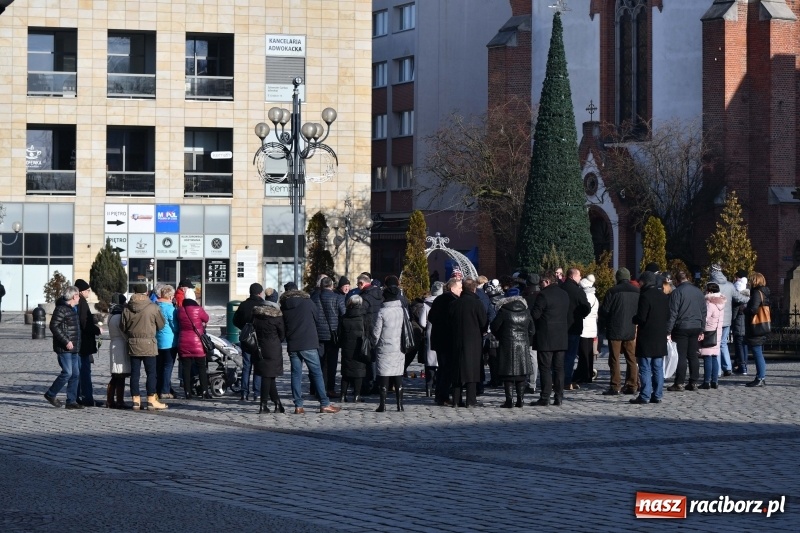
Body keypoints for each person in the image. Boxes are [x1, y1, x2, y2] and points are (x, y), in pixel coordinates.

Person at [280, 284, 341, 414]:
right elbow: (317, 317)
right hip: (308, 342)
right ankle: (324, 404)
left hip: (293, 344)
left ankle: (298, 406)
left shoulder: (284, 306)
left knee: (295, 375)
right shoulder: (307, 302)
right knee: (316, 373)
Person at [121, 283, 167, 410]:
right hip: (149, 344)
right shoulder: (153, 307)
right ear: (147, 293)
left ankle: (136, 400)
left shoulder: (127, 308)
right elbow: (161, 325)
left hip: (133, 343)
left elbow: (123, 326)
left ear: (134, 292)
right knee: (151, 373)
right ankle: (151, 400)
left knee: (135, 373)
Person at [490, 286, 534, 408]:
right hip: (523, 344)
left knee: (507, 374)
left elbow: (494, 327)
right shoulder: (526, 310)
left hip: (507, 343)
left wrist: (501, 336)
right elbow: (532, 329)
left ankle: (509, 400)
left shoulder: (503, 311)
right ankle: (520, 400)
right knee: (521, 374)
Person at [630, 272, 670, 404]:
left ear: (645, 282)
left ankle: (645, 395)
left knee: (645, 367)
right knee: (658, 367)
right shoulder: (664, 296)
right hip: (660, 336)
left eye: (640, 281)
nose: (639, 284)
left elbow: (641, 317)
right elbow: (668, 316)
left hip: (647, 336)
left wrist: (634, 318)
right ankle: (657, 394)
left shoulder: (645, 296)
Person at [599, 268, 640, 395]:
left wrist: (602, 326)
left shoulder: (612, 291)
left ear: (618, 278)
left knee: (614, 359)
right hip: (630, 329)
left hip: (615, 329)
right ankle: (632, 384)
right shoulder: (637, 291)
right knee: (631, 358)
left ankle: (615, 385)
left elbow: (604, 311)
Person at [530, 271, 569, 406]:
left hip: (545, 337)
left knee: (545, 368)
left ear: (546, 282)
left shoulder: (543, 295)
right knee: (559, 368)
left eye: (541, 282)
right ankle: (559, 396)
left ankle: (545, 397)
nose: (540, 285)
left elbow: (535, 315)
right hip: (561, 336)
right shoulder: (564, 294)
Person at [449, 278, 489, 408]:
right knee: (472, 370)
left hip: (456, 340)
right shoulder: (477, 303)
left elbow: (448, 321)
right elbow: (484, 322)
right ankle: (470, 400)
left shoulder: (454, 303)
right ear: (474, 289)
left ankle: (456, 399)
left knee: (457, 369)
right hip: (473, 341)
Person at [666, 271, 707, 392]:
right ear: (687, 278)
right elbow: (704, 312)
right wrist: (702, 329)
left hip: (682, 326)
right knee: (693, 355)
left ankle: (679, 383)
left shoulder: (677, 292)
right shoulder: (698, 292)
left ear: (677, 281)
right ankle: (693, 382)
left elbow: (673, 313)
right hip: (696, 326)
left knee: (681, 356)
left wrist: (668, 330)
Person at [44, 286, 83, 409]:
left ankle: (71, 401)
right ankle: (50, 394)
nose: (79, 298)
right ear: (74, 296)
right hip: (64, 348)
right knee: (67, 372)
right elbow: (54, 326)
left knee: (75, 374)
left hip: (74, 348)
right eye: (78, 296)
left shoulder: (73, 309)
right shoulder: (61, 309)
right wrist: (66, 341)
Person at [371, 285, 406, 412]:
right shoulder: (402, 310)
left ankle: (383, 404)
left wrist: (373, 343)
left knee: (384, 376)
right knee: (398, 376)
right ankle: (400, 405)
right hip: (399, 347)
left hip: (385, 347)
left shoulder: (382, 312)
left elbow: (376, 332)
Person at [428, 277, 462, 405]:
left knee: (442, 368)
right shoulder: (453, 301)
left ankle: (439, 394)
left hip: (438, 339)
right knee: (447, 369)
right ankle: (443, 396)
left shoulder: (438, 299)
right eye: (459, 288)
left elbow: (431, 317)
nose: (461, 290)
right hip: (448, 339)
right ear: (453, 288)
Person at [311, 276, 345, 397]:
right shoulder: (337, 298)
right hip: (333, 334)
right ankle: (330, 388)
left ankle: (319, 390)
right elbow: (343, 314)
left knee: (319, 363)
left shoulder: (314, 298)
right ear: (331, 285)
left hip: (317, 334)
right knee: (332, 363)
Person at [233, 283, 267, 401]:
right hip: (259, 339)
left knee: (246, 366)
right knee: (258, 365)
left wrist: (244, 328)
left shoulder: (243, 305)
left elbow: (235, 320)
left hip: (246, 339)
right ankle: (256, 393)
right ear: (259, 293)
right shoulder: (262, 305)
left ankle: (244, 392)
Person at [252, 294, 286, 413]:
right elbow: (282, 335)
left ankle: (277, 404)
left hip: (259, 348)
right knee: (268, 376)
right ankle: (263, 404)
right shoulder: (277, 317)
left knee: (269, 376)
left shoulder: (256, 315)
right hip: (273, 348)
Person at [709, 263, 743, 377]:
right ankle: (728, 367)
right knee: (723, 343)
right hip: (727, 318)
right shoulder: (729, 285)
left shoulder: (709, 285)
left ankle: (717, 371)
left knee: (716, 344)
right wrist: (749, 298)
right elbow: (739, 297)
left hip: (715, 319)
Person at [177, 289, 212, 400]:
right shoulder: (198, 309)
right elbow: (206, 318)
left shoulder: (180, 310)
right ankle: (204, 391)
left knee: (186, 368)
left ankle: (187, 392)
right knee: (201, 367)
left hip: (183, 342)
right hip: (198, 343)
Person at [561, 268, 591, 391]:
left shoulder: (560, 288)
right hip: (574, 326)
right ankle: (566, 380)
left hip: (560, 327)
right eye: (579, 276)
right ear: (573, 276)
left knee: (558, 355)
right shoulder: (578, 291)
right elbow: (586, 308)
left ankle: (555, 379)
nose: (580, 278)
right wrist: (581, 314)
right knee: (570, 356)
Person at [75, 279, 103, 407]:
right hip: (83, 343)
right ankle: (86, 397)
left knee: (80, 371)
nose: (88, 292)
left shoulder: (79, 302)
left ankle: (78, 396)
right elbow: (85, 323)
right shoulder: (82, 303)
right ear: (81, 291)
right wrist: (97, 330)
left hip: (81, 342)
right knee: (84, 371)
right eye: (87, 290)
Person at [338, 295, 369, 402]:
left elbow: (340, 334)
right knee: (359, 372)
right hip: (360, 348)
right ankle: (357, 395)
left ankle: (343, 395)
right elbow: (368, 332)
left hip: (347, 347)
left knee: (346, 372)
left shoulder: (344, 317)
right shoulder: (363, 317)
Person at [744, 272, 770, 387]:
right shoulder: (765, 292)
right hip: (762, 325)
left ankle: (760, 377)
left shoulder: (756, 293)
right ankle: (761, 376)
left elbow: (753, 310)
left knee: (757, 352)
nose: (749, 282)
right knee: (758, 351)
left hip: (756, 327)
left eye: (751, 280)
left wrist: (744, 309)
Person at [106, 294, 131, 409]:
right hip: (120, 346)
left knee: (116, 374)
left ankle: (110, 400)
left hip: (115, 344)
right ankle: (118, 400)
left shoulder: (111, 315)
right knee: (119, 374)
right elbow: (124, 333)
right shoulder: (118, 316)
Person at [418, 281, 443, 397]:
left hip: (430, 330)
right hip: (442, 331)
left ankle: (429, 387)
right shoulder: (445, 301)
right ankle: (439, 386)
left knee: (430, 360)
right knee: (441, 359)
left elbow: (422, 322)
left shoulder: (426, 304)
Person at [699, 282, 726, 389]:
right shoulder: (721, 303)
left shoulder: (710, 304)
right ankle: (715, 381)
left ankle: (707, 381)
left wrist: (700, 330)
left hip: (709, 332)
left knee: (707, 357)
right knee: (714, 357)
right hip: (717, 332)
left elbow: (705, 318)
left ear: (709, 292)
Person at [573, 275, 598, 384]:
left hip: (585, 327)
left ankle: (583, 375)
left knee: (583, 353)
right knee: (588, 353)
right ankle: (587, 375)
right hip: (592, 327)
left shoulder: (587, 296)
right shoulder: (594, 296)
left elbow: (584, 310)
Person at [156, 285, 179, 400]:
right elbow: (175, 326)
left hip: (157, 340)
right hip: (169, 342)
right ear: (170, 296)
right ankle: (165, 390)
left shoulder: (155, 306)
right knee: (168, 366)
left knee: (159, 366)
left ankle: (158, 388)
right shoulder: (170, 309)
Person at [732, 271, 749, 375]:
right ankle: (743, 364)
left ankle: (742, 366)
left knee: (739, 344)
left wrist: (731, 319)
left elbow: (735, 311)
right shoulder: (747, 291)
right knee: (744, 344)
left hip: (739, 322)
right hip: (745, 323)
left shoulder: (738, 292)